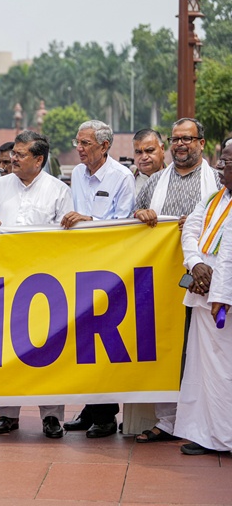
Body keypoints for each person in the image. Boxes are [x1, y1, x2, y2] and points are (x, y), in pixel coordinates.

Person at [0, 130, 73, 439]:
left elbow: (68, 236)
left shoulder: (59, 191)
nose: (12, 159)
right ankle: (7, 415)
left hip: (46, 283)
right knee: (4, 349)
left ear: (38, 159)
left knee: (49, 350)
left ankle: (52, 416)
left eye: (19, 154)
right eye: (13, 154)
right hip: (4, 281)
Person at [133, 118, 220, 443]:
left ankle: (205, 423)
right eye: (176, 139)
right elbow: (131, 222)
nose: (180, 144)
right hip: (160, 282)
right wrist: (140, 216)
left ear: (201, 143)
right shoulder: (155, 182)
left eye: (187, 139)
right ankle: (168, 421)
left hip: (205, 280)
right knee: (166, 349)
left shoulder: (217, 183)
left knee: (203, 353)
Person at [60, 120, 135, 438]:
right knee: (83, 342)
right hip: (79, 267)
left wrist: (90, 220)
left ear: (105, 146)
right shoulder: (77, 174)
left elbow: (124, 224)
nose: (79, 148)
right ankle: (92, 410)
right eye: (77, 142)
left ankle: (105, 416)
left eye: (85, 143)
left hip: (110, 269)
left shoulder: (122, 177)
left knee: (104, 341)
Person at [175, 136, 232, 455]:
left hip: (224, 301)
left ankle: (226, 438)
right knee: (202, 370)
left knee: (225, 372)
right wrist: (196, 265)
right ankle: (207, 434)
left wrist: (220, 290)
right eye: (221, 160)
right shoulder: (213, 198)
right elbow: (191, 232)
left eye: (226, 161)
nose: (220, 166)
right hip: (203, 294)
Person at [132, 129, 167, 194]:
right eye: (138, 152)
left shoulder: (175, 178)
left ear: (162, 149)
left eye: (150, 151)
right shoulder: (127, 180)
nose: (144, 157)